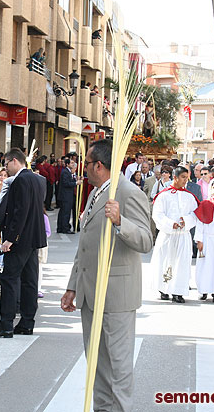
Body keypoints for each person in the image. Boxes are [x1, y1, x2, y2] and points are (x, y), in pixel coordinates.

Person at [61, 139, 152, 411]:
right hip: (90, 293)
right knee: (98, 363)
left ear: (99, 165)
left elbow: (146, 240)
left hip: (116, 296)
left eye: (86, 164)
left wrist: (122, 222)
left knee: (119, 365)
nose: (83, 169)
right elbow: (85, 245)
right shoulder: (94, 194)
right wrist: (73, 285)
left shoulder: (128, 192)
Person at [0, 149, 47, 338]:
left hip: (20, 240)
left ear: (14, 161)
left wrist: (11, 238)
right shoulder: (38, 179)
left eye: (7, 164)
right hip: (34, 238)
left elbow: (20, 211)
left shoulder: (20, 180)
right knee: (29, 282)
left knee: (9, 280)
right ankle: (27, 323)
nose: (6, 168)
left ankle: (6, 324)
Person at [150, 166, 199, 303]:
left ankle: (178, 291)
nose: (185, 180)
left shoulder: (190, 197)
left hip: (183, 234)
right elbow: (157, 214)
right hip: (168, 234)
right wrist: (171, 223)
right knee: (164, 260)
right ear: (175, 177)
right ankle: (164, 289)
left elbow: (195, 214)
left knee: (181, 263)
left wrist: (186, 221)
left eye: (187, 177)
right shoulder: (164, 195)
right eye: (183, 177)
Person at [57, 159, 80, 234]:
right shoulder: (65, 172)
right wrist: (76, 183)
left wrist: (76, 180)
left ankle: (61, 227)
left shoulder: (68, 172)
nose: (73, 164)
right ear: (67, 164)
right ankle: (65, 228)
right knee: (65, 213)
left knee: (63, 212)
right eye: (71, 163)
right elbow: (66, 183)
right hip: (65, 196)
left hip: (68, 195)